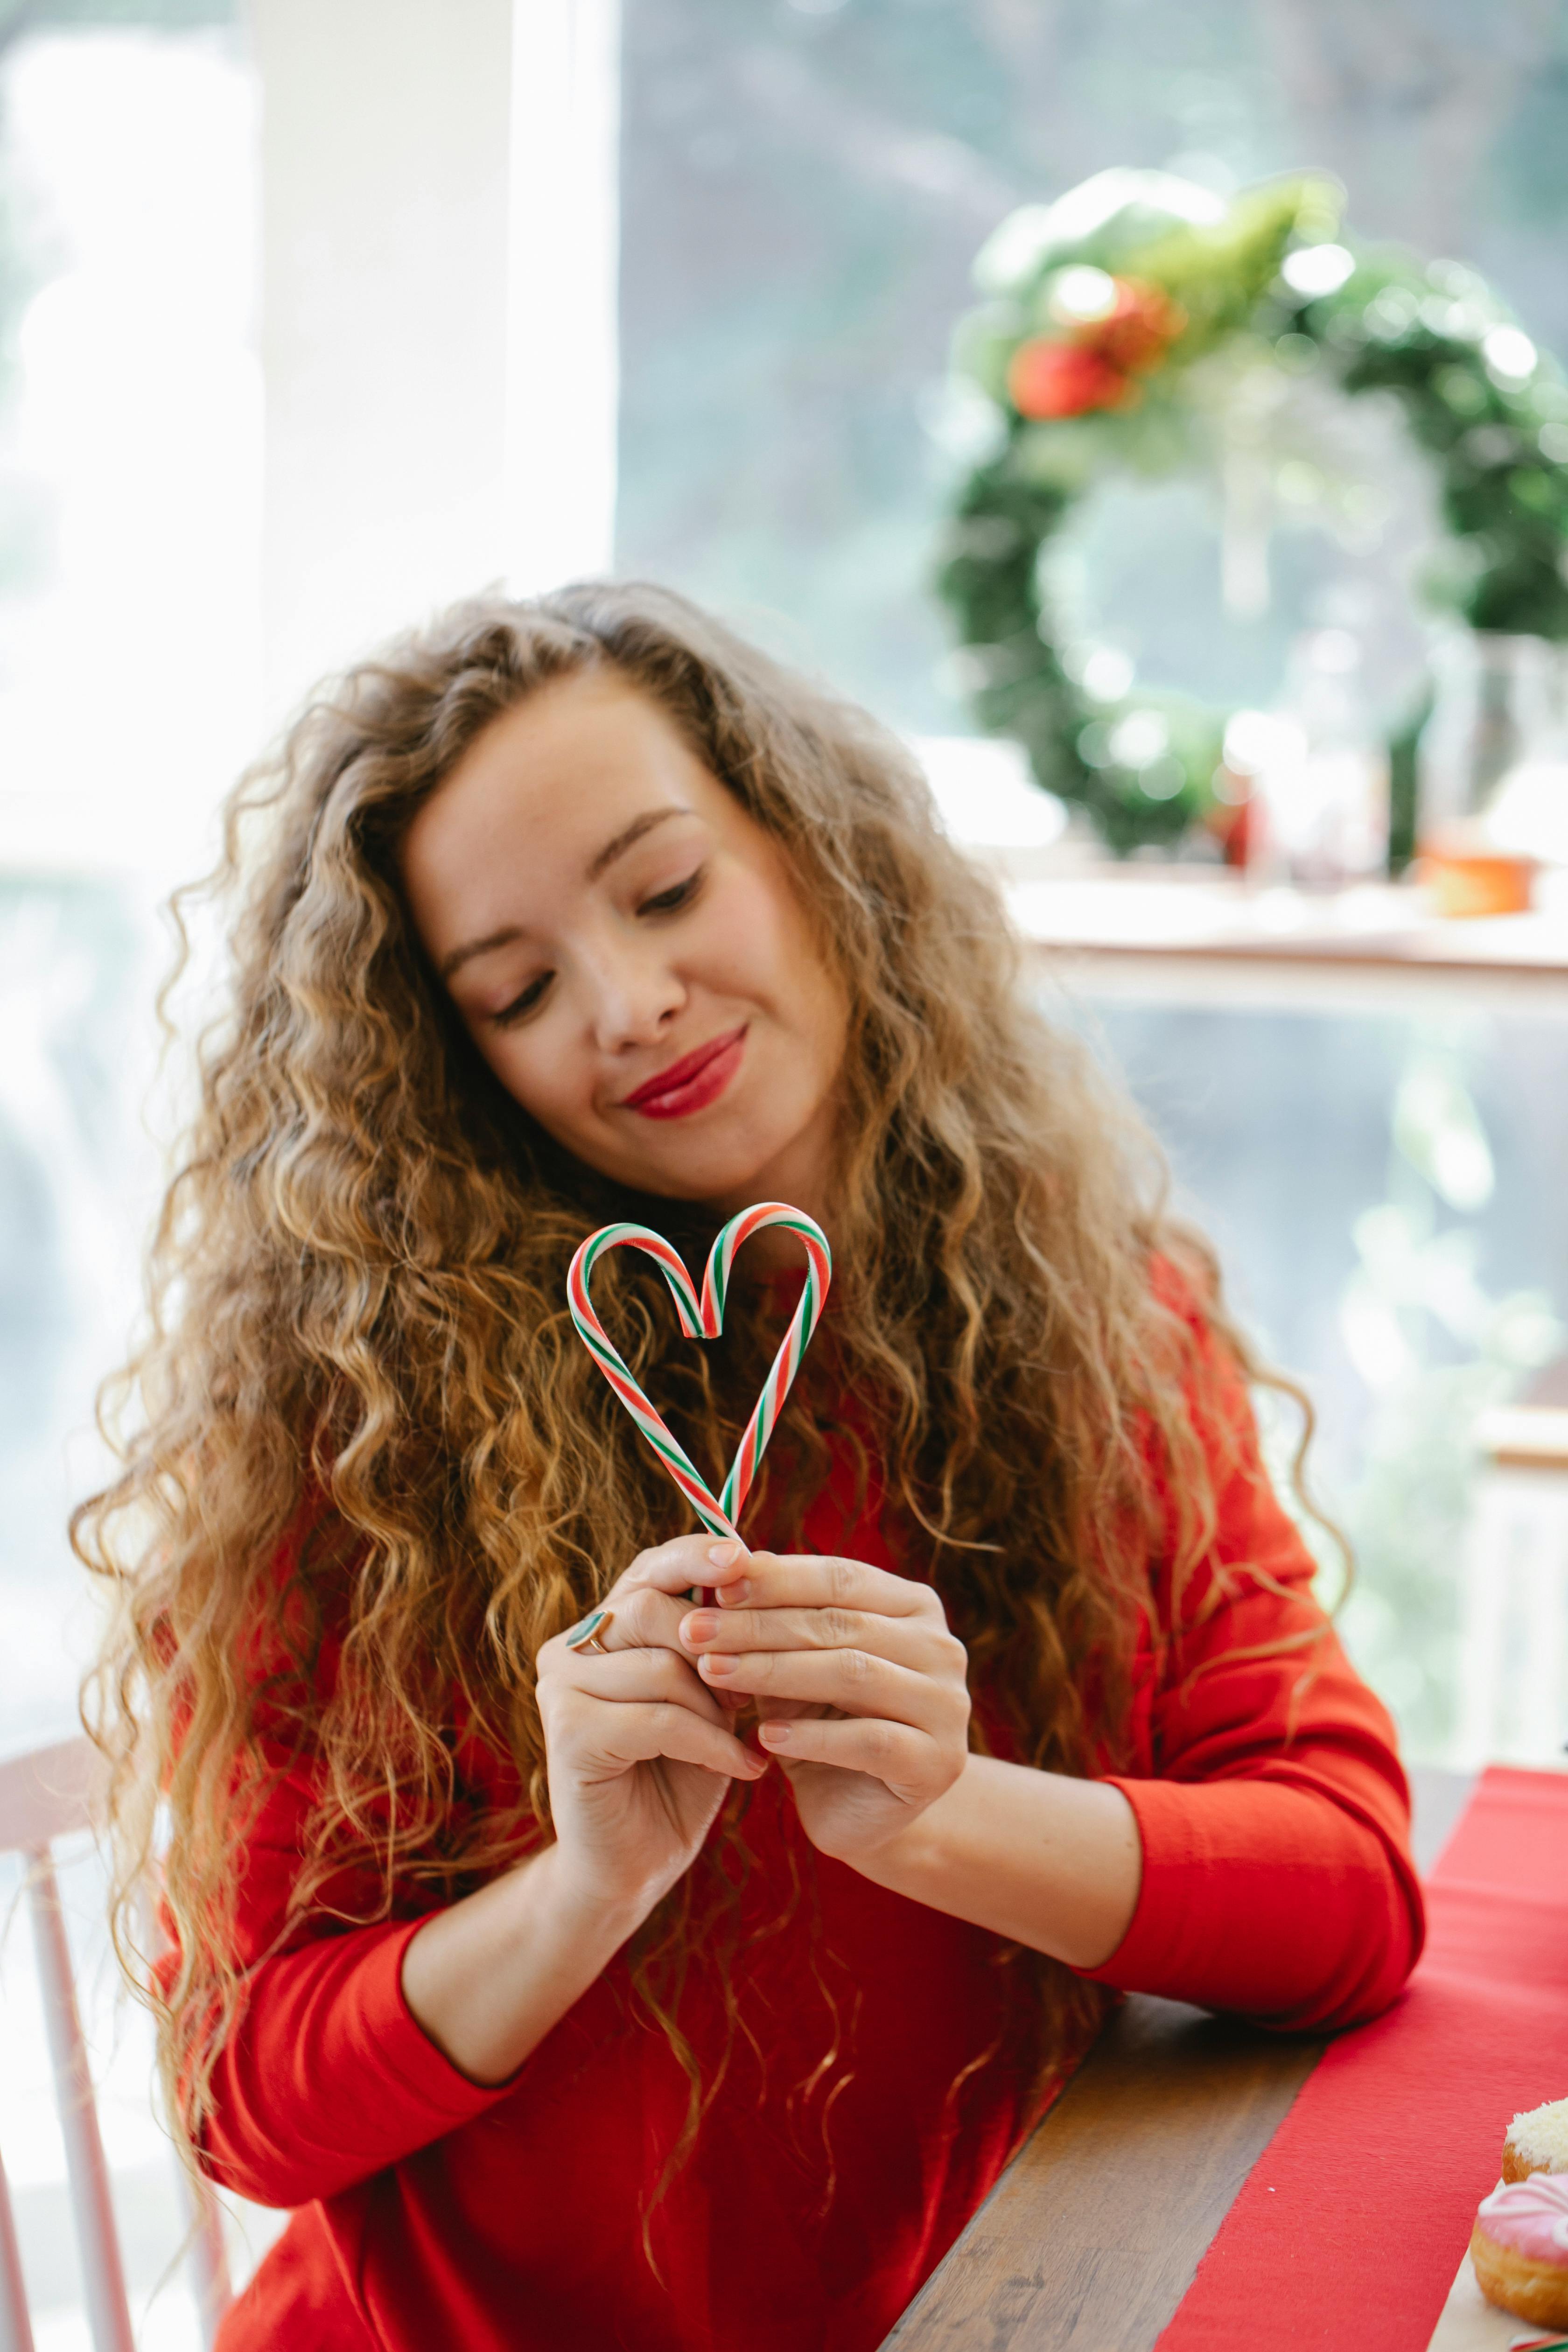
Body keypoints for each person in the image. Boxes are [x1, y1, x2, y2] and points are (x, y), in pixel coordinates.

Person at [77, 583, 1423, 2352]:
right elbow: (249, 2100)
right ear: (449, 1056)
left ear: (814, 849)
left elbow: (1349, 1894)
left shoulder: (1115, 1323)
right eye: (519, 988)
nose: (629, 1004)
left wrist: (942, 1815)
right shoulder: (360, 1453)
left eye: (665, 889)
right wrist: (585, 1888)